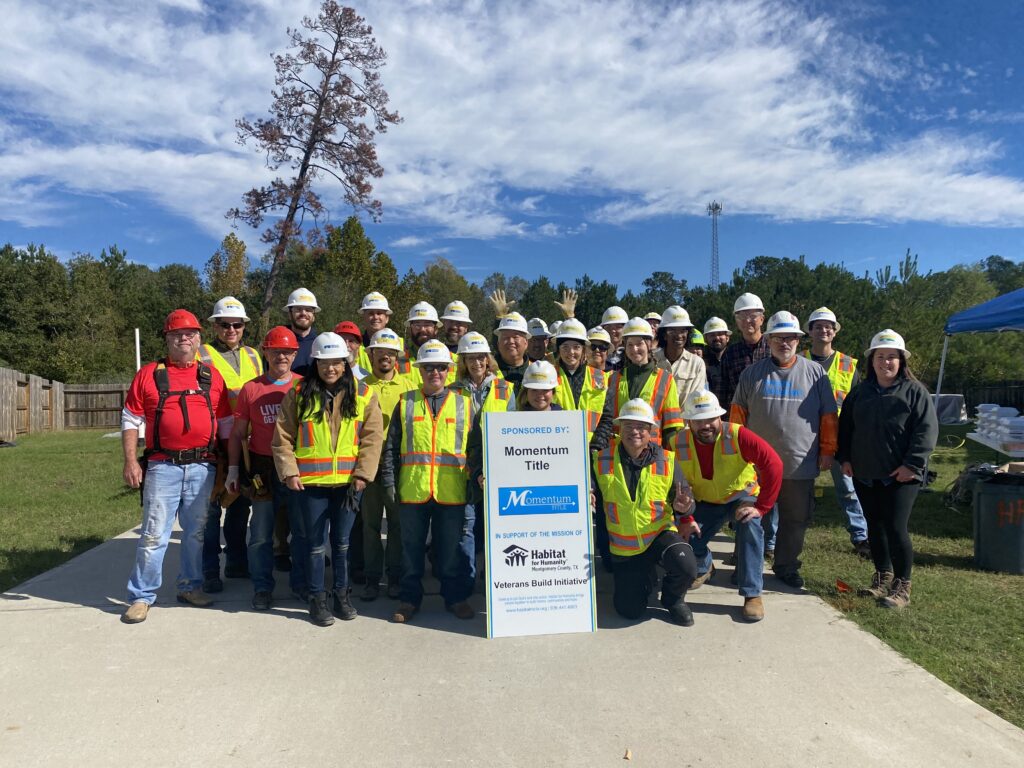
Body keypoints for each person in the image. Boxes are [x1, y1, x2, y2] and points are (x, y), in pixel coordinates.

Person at [120, 310, 232, 624]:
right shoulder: (149, 374)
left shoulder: (211, 376)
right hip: (162, 466)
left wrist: (230, 465)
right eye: (177, 334)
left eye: (190, 334)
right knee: (155, 534)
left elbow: (224, 424)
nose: (184, 338)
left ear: (199, 339)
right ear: (167, 339)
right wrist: (130, 460)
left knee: (195, 533)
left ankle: (190, 586)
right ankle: (141, 596)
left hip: (203, 468)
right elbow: (131, 419)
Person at [272, 332, 384, 626]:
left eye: (336, 363)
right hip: (311, 485)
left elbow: (372, 439)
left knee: (343, 544)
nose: (330, 369)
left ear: (346, 364)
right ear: (315, 363)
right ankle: (316, 598)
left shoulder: (363, 395)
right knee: (314, 545)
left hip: (349, 484)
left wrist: (363, 474)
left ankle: (342, 596)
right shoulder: (298, 393)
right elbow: (282, 437)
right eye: (324, 363)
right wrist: (289, 471)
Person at [731, 311, 837, 589]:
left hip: (798, 462)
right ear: (769, 340)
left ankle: (786, 566)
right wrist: (735, 455)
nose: (784, 342)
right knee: (750, 516)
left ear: (798, 340)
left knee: (795, 519)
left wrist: (827, 450)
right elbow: (737, 419)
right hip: (756, 466)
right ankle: (746, 565)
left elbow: (828, 416)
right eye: (778, 337)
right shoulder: (752, 374)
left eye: (790, 337)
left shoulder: (815, 373)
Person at [838, 330, 938, 609]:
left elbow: (926, 432)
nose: (886, 362)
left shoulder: (915, 392)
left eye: (892, 357)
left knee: (895, 528)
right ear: (872, 361)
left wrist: (912, 465)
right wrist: (845, 458)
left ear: (901, 361)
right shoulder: (859, 393)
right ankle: (882, 577)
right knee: (875, 527)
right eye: (880, 357)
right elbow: (845, 428)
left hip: (902, 476)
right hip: (865, 473)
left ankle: (902, 586)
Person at [381, 340, 476, 624]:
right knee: (411, 553)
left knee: (450, 552)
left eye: (441, 368)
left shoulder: (465, 405)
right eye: (429, 368)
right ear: (420, 370)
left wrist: (474, 479)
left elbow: (476, 448)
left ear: (449, 371)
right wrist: (389, 481)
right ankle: (409, 600)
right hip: (413, 490)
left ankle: (455, 598)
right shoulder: (406, 402)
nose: (435, 372)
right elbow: (391, 447)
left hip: (452, 492)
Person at [672, 390, 782, 622]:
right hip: (704, 502)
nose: (706, 425)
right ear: (689, 421)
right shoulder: (677, 442)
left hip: (740, 499)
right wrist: (684, 515)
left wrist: (761, 508)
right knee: (687, 538)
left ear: (719, 417)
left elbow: (773, 463)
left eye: (711, 419)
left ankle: (752, 594)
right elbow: (674, 483)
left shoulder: (737, 434)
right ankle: (704, 565)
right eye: (699, 420)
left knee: (750, 525)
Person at [592, 398, 698, 625]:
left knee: (687, 566)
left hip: (658, 536)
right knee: (629, 611)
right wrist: (587, 494)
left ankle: (673, 599)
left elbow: (686, 499)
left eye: (641, 427)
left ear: (651, 432)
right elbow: (588, 490)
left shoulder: (667, 461)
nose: (635, 432)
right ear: (619, 429)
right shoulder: (600, 460)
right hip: (625, 548)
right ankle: (646, 578)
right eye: (629, 426)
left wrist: (684, 507)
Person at [224, 326, 307, 610]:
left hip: (297, 466)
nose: (281, 356)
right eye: (275, 351)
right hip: (262, 468)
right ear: (265, 352)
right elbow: (237, 433)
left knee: (300, 531)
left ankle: (301, 585)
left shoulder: (304, 386)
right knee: (260, 534)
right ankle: (262, 587)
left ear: (295, 354)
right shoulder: (252, 388)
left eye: (287, 351)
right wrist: (234, 469)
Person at [198, 297, 264, 592]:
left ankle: (237, 561)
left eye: (237, 324)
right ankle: (210, 570)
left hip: (247, 442)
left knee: (241, 505)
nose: (231, 329)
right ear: (215, 326)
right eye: (225, 325)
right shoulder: (202, 355)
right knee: (211, 509)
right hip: (213, 441)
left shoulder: (253, 355)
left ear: (244, 327)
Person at [803, 307, 870, 558]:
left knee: (848, 488)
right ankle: (782, 538)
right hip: (806, 435)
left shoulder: (848, 364)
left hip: (840, 437)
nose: (824, 330)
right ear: (810, 331)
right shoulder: (798, 359)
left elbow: (856, 403)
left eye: (829, 326)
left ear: (835, 331)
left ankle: (861, 537)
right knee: (797, 488)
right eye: (818, 326)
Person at [359, 329, 416, 601]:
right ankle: (372, 579)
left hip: (398, 466)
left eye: (390, 352)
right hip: (368, 466)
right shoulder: (359, 386)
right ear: (370, 354)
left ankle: (394, 576)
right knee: (369, 526)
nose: (385, 356)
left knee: (396, 525)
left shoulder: (408, 387)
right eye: (379, 351)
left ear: (397, 356)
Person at [453, 331, 517, 568]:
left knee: (496, 528)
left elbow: (512, 431)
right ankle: (466, 580)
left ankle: (493, 577)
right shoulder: (453, 390)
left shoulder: (506, 389)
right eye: (471, 358)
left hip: (495, 469)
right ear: (463, 361)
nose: (477, 363)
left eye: (481, 357)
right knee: (465, 528)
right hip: (463, 467)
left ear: (489, 359)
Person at [591, 317, 683, 451]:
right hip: (618, 454)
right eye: (629, 344)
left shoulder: (666, 379)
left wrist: (668, 457)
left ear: (649, 344)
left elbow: (671, 427)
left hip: (652, 453)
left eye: (639, 343)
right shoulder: (613, 379)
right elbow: (606, 422)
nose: (634, 349)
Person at [550, 319, 607, 442]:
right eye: (565, 347)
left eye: (576, 347)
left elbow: (606, 417)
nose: (571, 352)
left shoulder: (600, 378)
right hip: (557, 448)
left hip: (591, 449)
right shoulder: (549, 375)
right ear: (558, 349)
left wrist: (597, 445)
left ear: (583, 350)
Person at [718, 293, 769, 407]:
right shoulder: (730, 353)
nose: (747, 320)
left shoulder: (773, 348)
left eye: (752, 316)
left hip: (770, 415)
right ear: (736, 321)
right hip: (739, 418)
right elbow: (723, 392)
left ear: (762, 319)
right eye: (741, 316)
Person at [653, 306, 707, 408]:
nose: (679, 335)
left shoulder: (697, 363)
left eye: (683, 330)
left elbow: (696, 399)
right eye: (672, 330)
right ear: (664, 335)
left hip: (685, 422)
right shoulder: (652, 360)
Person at [356, 291, 401, 374]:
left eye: (379, 313)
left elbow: (408, 374)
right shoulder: (355, 345)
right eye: (371, 313)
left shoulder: (401, 344)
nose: (375, 317)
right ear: (363, 317)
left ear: (387, 318)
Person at [403, 301, 443, 386]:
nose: (422, 329)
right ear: (410, 329)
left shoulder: (450, 358)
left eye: (427, 324)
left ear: (436, 329)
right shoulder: (397, 356)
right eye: (417, 325)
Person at [283, 287, 321, 374]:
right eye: (298, 309)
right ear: (289, 314)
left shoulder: (320, 343)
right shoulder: (277, 343)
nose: (303, 313)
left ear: (314, 315)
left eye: (308, 310)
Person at [491, 311, 531, 389]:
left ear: (526, 343)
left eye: (516, 337)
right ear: (498, 343)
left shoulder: (536, 371)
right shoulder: (487, 371)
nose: (511, 341)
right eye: (505, 337)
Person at [702, 316, 732, 404]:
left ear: (727, 337)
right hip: (709, 413)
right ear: (705, 339)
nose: (717, 338)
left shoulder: (736, 357)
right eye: (712, 335)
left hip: (735, 412)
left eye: (720, 334)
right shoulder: (701, 362)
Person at [600, 305, 630, 372]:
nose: (613, 331)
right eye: (608, 327)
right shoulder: (596, 353)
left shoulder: (632, 353)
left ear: (625, 329)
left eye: (618, 327)